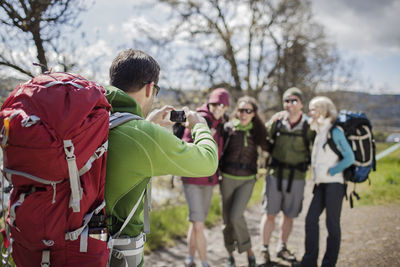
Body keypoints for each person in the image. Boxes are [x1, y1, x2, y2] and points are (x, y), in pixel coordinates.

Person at [104, 49, 219, 267]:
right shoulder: (142, 135)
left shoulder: (94, 118)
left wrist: (147, 122)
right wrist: (200, 127)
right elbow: (208, 161)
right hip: (115, 254)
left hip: (71, 245)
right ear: (149, 88)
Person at [293, 96, 355, 267]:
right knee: (311, 220)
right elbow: (302, 118)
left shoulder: (335, 131)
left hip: (335, 184)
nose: (310, 113)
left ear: (323, 110)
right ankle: (309, 261)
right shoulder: (320, 130)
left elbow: (350, 158)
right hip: (321, 184)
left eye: (313, 109)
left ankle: (329, 263)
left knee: (332, 225)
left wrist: (332, 170)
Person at [260, 87, 315, 264]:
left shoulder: (309, 126)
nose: (290, 104)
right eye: (287, 101)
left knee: (289, 215)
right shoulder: (276, 123)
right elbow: (261, 137)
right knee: (270, 214)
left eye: (294, 101)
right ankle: (264, 249)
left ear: (301, 104)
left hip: (297, 177)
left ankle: (281, 247)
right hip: (275, 175)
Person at [180, 88, 230, 267]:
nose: (218, 108)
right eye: (215, 104)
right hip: (192, 179)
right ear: (210, 103)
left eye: (222, 105)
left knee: (195, 222)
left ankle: (189, 258)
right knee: (199, 223)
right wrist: (204, 136)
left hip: (209, 180)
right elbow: (184, 146)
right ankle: (204, 262)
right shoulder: (199, 118)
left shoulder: (222, 123)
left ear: (226, 107)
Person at [219, 96, 269, 267]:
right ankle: (230, 256)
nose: (243, 114)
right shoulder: (227, 128)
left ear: (254, 113)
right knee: (227, 220)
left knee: (236, 215)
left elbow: (271, 147)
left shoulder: (258, 131)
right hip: (227, 178)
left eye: (248, 110)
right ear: (236, 111)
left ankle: (249, 252)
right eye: (241, 110)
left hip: (247, 180)